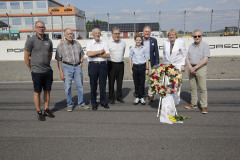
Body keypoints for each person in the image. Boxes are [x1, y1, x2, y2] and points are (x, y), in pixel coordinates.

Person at [24, 20, 55, 121]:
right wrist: (31, 68)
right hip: (36, 72)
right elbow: (26, 57)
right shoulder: (31, 40)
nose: (41, 29)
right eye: (39, 27)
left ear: (45, 28)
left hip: (47, 71)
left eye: (43, 27)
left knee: (47, 91)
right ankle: (39, 111)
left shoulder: (48, 41)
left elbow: (50, 55)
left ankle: (46, 109)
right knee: (37, 92)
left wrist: (46, 65)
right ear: (35, 29)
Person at [55, 28, 89, 112]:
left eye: (71, 34)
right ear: (65, 36)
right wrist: (60, 72)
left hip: (77, 67)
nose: (70, 35)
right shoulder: (61, 46)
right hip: (66, 67)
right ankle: (70, 104)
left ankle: (81, 103)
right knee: (67, 87)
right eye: (68, 34)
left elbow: (82, 55)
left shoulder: (77, 43)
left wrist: (81, 63)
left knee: (80, 86)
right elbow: (58, 60)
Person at [185, 29, 210, 114]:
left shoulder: (205, 45)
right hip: (191, 68)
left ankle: (204, 106)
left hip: (200, 68)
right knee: (192, 87)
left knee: (202, 88)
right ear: (193, 37)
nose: (197, 38)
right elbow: (187, 58)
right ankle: (194, 103)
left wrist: (195, 68)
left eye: (199, 36)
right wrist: (190, 67)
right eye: (195, 36)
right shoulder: (191, 46)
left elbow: (205, 59)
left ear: (201, 36)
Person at [86, 28, 110, 111]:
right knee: (93, 85)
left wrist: (95, 54)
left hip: (103, 65)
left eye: (99, 33)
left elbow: (107, 55)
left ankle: (103, 101)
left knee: (103, 84)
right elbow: (89, 54)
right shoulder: (89, 43)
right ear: (92, 34)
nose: (97, 34)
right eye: (95, 33)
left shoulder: (104, 43)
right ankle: (94, 103)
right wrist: (100, 51)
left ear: (100, 34)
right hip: (93, 65)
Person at [163, 29, 186, 106]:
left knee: (176, 84)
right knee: (168, 83)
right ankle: (169, 99)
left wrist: (183, 65)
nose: (171, 36)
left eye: (173, 34)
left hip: (177, 65)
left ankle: (176, 101)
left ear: (176, 35)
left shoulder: (180, 42)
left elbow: (184, 55)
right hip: (168, 66)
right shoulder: (165, 43)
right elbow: (164, 55)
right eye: (170, 34)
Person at [107, 27, 126, 104]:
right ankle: (111, 97)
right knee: (111, 81)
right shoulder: (108, 43)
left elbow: (123, 52)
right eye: (115, 33)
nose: (117, 35)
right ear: (112, 34)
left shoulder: (123, 42)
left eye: (118, 33)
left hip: (120, 64)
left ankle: (119, 97)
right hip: (111, 64)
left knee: (119, 81)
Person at [129, 34, 149, 105]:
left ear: (141, 40)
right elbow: (130, 59)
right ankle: (137, 97)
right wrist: (131, 69)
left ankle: (142, 97)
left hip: (142, 67)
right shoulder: (132, 48)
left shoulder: (144, 48)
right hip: (135, 67)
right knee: (136, 83)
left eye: (140, 40)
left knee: (142, 82)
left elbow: (147, 59)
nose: (138, 41)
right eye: (137, 40)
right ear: (135, 40)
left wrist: (147, 68)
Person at [142, 26, 159, 102]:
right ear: (143, 32)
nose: (147, 33)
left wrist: (156, 64)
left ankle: (150, 94)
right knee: (142, 79)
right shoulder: (139, 40)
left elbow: (157, 53)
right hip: (142, 62)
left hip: (151, 62)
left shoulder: (154, 40)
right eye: (146, 31)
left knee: (151, 79)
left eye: (148, 31)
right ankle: (141, 94)